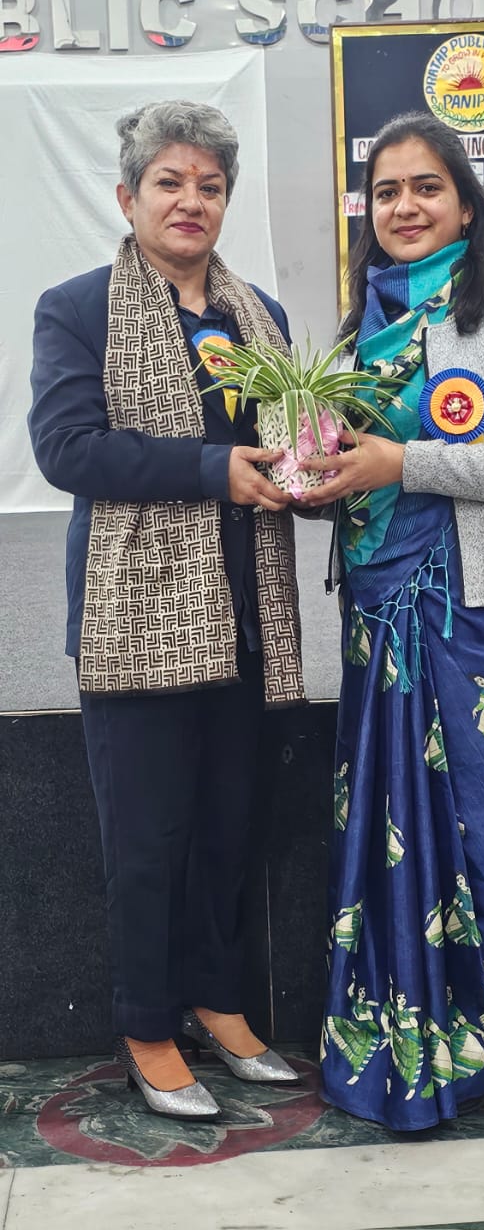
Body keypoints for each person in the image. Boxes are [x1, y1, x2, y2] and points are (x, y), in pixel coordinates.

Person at [301, 110, 484, 1130]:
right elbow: (353, 475)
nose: (406, 206)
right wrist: (317, 479)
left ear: (467, 204)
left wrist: (402, 462)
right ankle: (393, 1016)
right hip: (381, 608)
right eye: (387, 191)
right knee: (388, 817)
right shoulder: (354, 332)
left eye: (427, 187)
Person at [29, 100, 303, 1120]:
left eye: (211, 185)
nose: (192, 201)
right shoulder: (78, 308)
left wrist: (309, 470)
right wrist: (210, 469)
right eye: (170, 182)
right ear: (127, 196)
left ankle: (218, 1001)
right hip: (135, 617)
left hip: (244, 613)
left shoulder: (258, 314)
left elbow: (286, 436)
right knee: (147, 842)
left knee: (228, 828)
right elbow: (68, 449)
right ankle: (148, 1024)